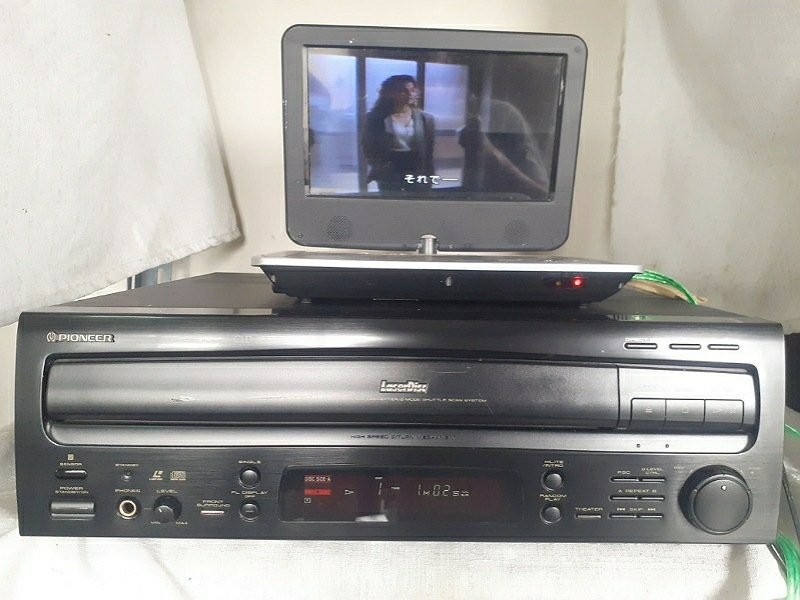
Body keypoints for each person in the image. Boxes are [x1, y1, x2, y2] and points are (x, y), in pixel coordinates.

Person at [362, 75, 435, 192]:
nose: (410, 94)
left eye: (413, 90)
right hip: (390, 167)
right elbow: (368, 146)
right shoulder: (376, 117)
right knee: (392, 201)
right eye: (403, 91)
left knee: (417, 200)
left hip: (415, 167)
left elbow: (428, 152)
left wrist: (429, 176)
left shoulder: (425, 118)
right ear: (391, 93)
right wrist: (380, 167)